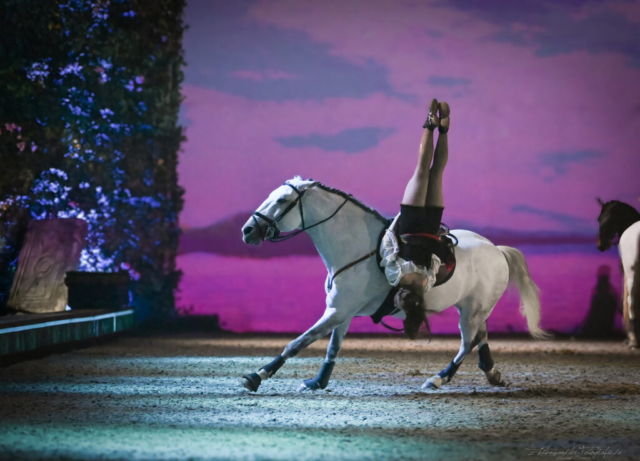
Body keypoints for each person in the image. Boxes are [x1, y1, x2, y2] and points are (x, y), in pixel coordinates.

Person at [379, 98, 450, 339]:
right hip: (409, 224)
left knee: (436, 172)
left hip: (430, 227)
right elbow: (388, 246)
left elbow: (435, 260)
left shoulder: (426, 284)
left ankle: (444, 130)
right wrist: (396, 220)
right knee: (422, 170)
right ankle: (429, 125)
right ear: (400, 297)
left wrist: (435, 237)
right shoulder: (395, 277)